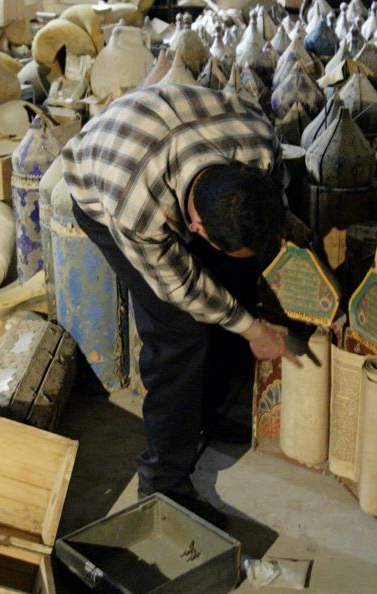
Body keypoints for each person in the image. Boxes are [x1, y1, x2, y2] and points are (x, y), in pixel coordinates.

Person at [62, 82, 298, 524]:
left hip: (176, 139)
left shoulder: (260, 145)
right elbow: (184, 289)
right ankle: (163, 480)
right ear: (196, 227)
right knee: (177, 335)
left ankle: (208, 410)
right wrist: (253, 330)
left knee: (236, 283)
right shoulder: (140, 213)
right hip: (104, 177)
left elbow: (273, 205)